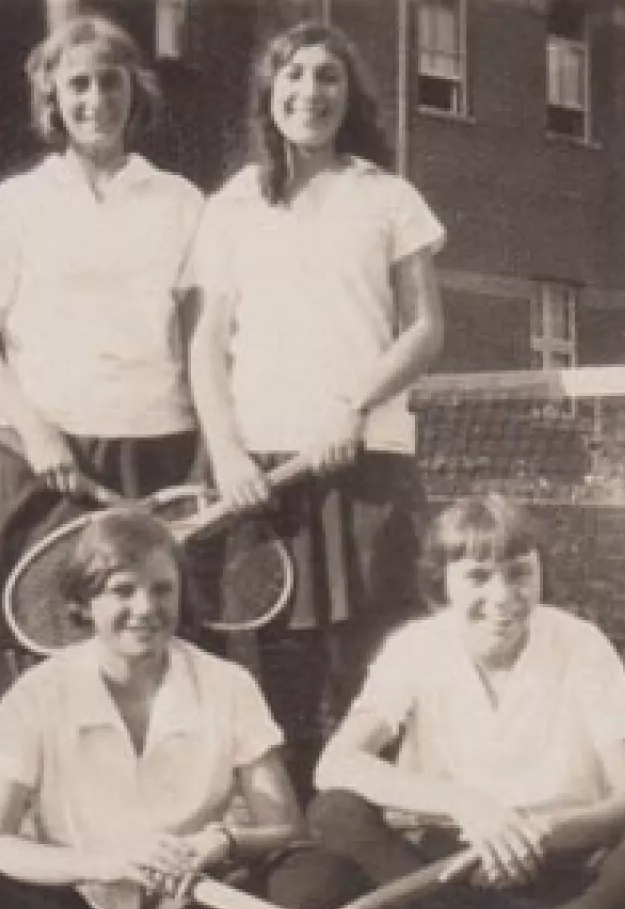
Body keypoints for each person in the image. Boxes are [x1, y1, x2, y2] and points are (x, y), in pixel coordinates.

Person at [0, 507, 308, 909]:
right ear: (85, 602)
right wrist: (106, 863)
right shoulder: (37, 693)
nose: (145, 608)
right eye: (123, 590)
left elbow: (285, 826)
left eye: (162, 589)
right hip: (78, 905)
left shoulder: (229, 684)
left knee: (321, 876)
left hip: (196, 901)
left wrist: (216, 841)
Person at [187, 21, 446, 796]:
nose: (311, 92)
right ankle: (287, 862)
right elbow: (207, 344)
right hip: (259, 477)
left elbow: (427, 328)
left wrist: (351, 411)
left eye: (328, 76)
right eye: (294, 75)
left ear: (349, 94)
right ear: (270, 92)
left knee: (380, 671)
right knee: (274, 691)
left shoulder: (388, 195)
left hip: (367, 464)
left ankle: (388, 850)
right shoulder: (232, 204)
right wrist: (229, 454)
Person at [280, 495, 625, 909]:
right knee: (335, 813)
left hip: (557, 858)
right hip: (441, 868)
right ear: (442, 583)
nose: (502, 597)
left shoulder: (583, 643)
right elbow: (337, 764)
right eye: (477, 577)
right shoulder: (415, 646)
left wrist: (533, 835)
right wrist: (468, 806)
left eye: (519, 573)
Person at [0, 14, 204, 651]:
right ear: (52, 100)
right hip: (48, 462)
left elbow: (203, 343)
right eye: (78, 85)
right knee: (54, 664)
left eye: (110, 83)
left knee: (157, 659)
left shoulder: (182, 202)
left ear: (134, 90)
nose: (95, 101)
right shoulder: (15, 203)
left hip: (158, 456)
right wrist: (35, 429)